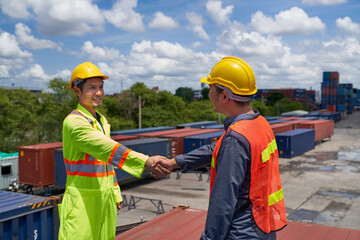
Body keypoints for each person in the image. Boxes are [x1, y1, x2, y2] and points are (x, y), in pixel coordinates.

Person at [162, 57, 287, 239]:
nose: (209, 94)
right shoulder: (259, 124)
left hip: (242, 231)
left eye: (211, 88)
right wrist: (175, 162)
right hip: (262, 224)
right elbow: (218, 148)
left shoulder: (235, 138)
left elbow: (222, 203)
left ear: (224, 96)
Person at [58, 61, 169, 240]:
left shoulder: (101, 121)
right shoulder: (74, 122)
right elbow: (108, 149)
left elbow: (107, 162)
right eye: (92, 88)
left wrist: (115, 191)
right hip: (82, 199)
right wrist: (145, 162)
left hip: (105, 197)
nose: (99, 93)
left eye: (101, 87)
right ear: (77, 91)